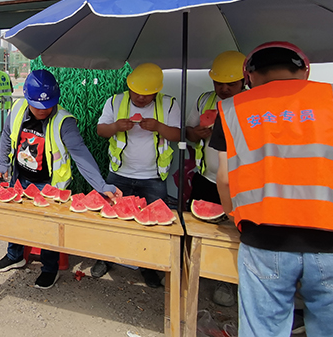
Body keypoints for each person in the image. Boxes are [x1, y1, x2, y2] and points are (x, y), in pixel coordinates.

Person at [213, 41, 333, 337]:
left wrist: (232, 215)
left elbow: (224, 178)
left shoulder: (232, 109)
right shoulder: (329, 98)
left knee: (263, 328)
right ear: (304, 71)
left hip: (263, 239)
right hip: (329, 238)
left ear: (249, 76)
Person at [0, 70, 121, 289]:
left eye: (48, 104)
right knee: (16, 220)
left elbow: (81, 154)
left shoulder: (64, 121)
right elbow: (6, 135)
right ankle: (15, 256)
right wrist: (3, 164)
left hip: (49, 184)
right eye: (37, 106)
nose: (43, 110)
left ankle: (50, 269)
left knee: (48, 229)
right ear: (27, 98)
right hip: (20, 178)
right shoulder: (17, 109)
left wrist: (101, 185)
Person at [94, 62, 181, 287]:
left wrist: (159, 126)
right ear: (129, 86)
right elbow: (101, 130)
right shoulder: (115, 101)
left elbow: (178, 135)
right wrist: (115, 127)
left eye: (147, 94)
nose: (141, 98)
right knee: (111, 221)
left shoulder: (169, 104)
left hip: (153, 177)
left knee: (154, 227)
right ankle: (104, 258)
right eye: (136, 92)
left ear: (157, 91)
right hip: (119, 174)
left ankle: (148, 267)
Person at [185, 51, 246, 307]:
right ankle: (190, 271)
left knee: (233, 235)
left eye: (231, 84)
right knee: (197, 227)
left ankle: (226, 281)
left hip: (241, 184)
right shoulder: (204, 100)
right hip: (206, 178)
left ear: (244, 80)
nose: (223, 89)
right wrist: (197, 133)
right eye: (219, 83)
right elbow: (188, 132)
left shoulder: (253, 104)